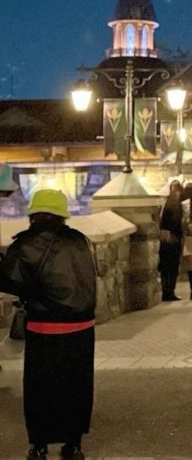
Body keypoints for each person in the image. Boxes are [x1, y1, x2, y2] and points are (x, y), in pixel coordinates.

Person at [0, 189, 97, 460]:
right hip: (82, 328)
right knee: (77, 386)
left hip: (45, 328)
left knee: (40, 389)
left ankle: (40, 446)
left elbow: (10, 280)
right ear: (62, 216)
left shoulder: (25, 244)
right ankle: (73, 445)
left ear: (34, 215)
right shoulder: (81, 240)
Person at [158, 179, 184, 301]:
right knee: (172, 267)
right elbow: (177, 221)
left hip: (165, 239)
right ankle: (170, 292)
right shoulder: (177, 203)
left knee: (165, 267)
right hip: (173, 239)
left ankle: (165, 291)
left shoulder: (167, 202)